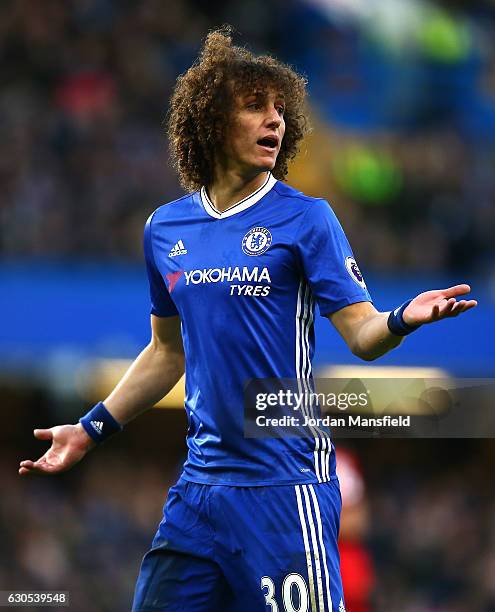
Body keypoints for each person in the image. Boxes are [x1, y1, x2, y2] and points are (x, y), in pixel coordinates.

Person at [19, 28, 477, 612]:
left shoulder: (307, 219)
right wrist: (90, 429)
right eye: (256, 106)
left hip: (286, 488)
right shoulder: (166, 230)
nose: (275, 121)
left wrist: (401, 318)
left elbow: (362, 335)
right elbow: (166, 352)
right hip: (200, 491)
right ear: (211, 121)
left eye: (280, 110)